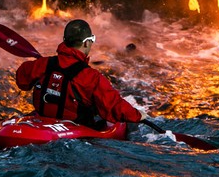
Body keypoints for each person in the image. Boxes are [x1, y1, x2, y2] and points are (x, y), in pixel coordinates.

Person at [15, 19, 147, 128]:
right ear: (86, 42)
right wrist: (138, 115)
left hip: (40, 123)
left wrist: (43, 67)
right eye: (92, 40)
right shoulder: (91, 77)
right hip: (74, 130)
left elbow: (21, 80)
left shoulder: (42, 64)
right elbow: (113, 106)